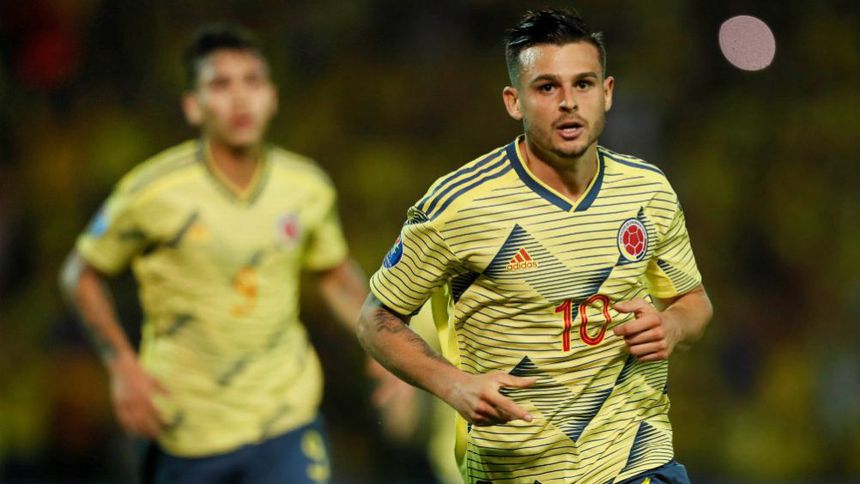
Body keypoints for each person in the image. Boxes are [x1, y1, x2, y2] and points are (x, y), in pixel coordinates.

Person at [357, 9, 713, 483]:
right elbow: (375, 320)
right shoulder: (460, 204)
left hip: (637, 461)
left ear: (607, 92)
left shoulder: (647, 189)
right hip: (515, 470)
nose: (569, 102)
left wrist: (672, 325)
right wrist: (454, 385)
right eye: (547, 87)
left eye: (583, 84)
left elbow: (694, 302)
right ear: (514, 101)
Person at [59, 23, 366, 483]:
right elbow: (79, 274)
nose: (240, 99)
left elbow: (335, 275)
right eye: (220, 85)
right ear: (192, 105)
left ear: (272, 97)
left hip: (286, 418)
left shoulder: (307, 187)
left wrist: (385, 349)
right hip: (185, 426)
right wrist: (121, 363)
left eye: (252, 82)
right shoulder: (153, 191)